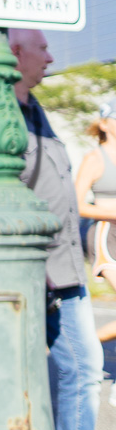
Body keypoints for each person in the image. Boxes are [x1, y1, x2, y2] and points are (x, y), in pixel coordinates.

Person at [9, 28, 114, 430]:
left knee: (78, 369)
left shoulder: (38, 111)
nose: (52, 56)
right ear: (16, 54)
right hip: (36, 273)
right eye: (43, 48)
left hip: (66, 268)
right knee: (68, 371)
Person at [75, 100, 116, 350]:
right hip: (107, 236)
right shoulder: (94, 159)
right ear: (104, 123)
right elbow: (76, 204)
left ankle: (79, 347)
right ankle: (78, 349)